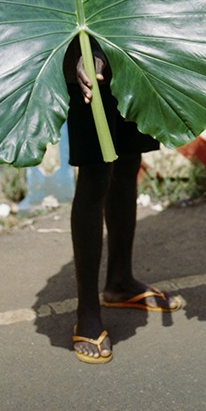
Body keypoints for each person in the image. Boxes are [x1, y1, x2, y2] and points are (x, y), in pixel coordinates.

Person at [64, 37, 183, 364]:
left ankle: (119, 281)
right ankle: (87, 309)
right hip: (82, 56)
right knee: (95, 173)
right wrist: (90, 54)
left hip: (133, 51)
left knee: (129, 160)